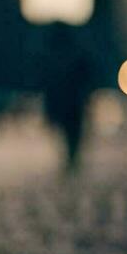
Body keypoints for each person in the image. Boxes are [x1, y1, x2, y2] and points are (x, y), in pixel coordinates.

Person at [40, 23, 96, 173]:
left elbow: (46, 80)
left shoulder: (50, 55)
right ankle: (71, 157)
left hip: (62, 100)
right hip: (73, 101)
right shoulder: (77, 53)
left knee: (66, 131)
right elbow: (87, 76)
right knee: (73, 132)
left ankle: (70, 158)